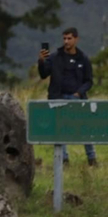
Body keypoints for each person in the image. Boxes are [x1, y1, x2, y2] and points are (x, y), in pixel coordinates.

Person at [39, 28, 96, 165]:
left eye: (69, 38)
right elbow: (43, 74)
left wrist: (79, 93)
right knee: (59, 129)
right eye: (64, 38)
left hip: (77, 98)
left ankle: (91, 158)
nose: (66, 41)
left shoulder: (83, 58)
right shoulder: (55, 57)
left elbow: (89, 81)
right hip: (58, 97)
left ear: (76, 39)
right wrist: (41, 61)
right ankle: (63, 160)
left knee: (85, 127)